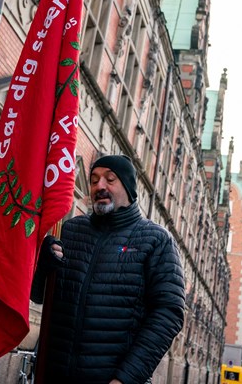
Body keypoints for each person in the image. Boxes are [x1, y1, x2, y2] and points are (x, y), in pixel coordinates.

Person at [33, 154, 186, 384]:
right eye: (94, 180)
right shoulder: (70, 231)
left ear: (128, 187)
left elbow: (168, 313)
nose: (99, 186)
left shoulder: (155, 239)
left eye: (110, 179)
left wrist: (126, 378)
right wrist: (42, 266)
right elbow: (38, 296)